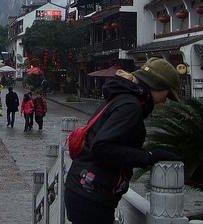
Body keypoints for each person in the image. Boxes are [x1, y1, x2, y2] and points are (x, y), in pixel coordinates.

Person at [64, 58, 182, 224]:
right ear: (157, 85)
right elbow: (102, 147)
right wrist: (147, 156)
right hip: (92, 196)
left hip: (81, 188)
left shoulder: (120, 97)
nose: (165, 100)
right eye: (167, 93)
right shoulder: (130, 105)